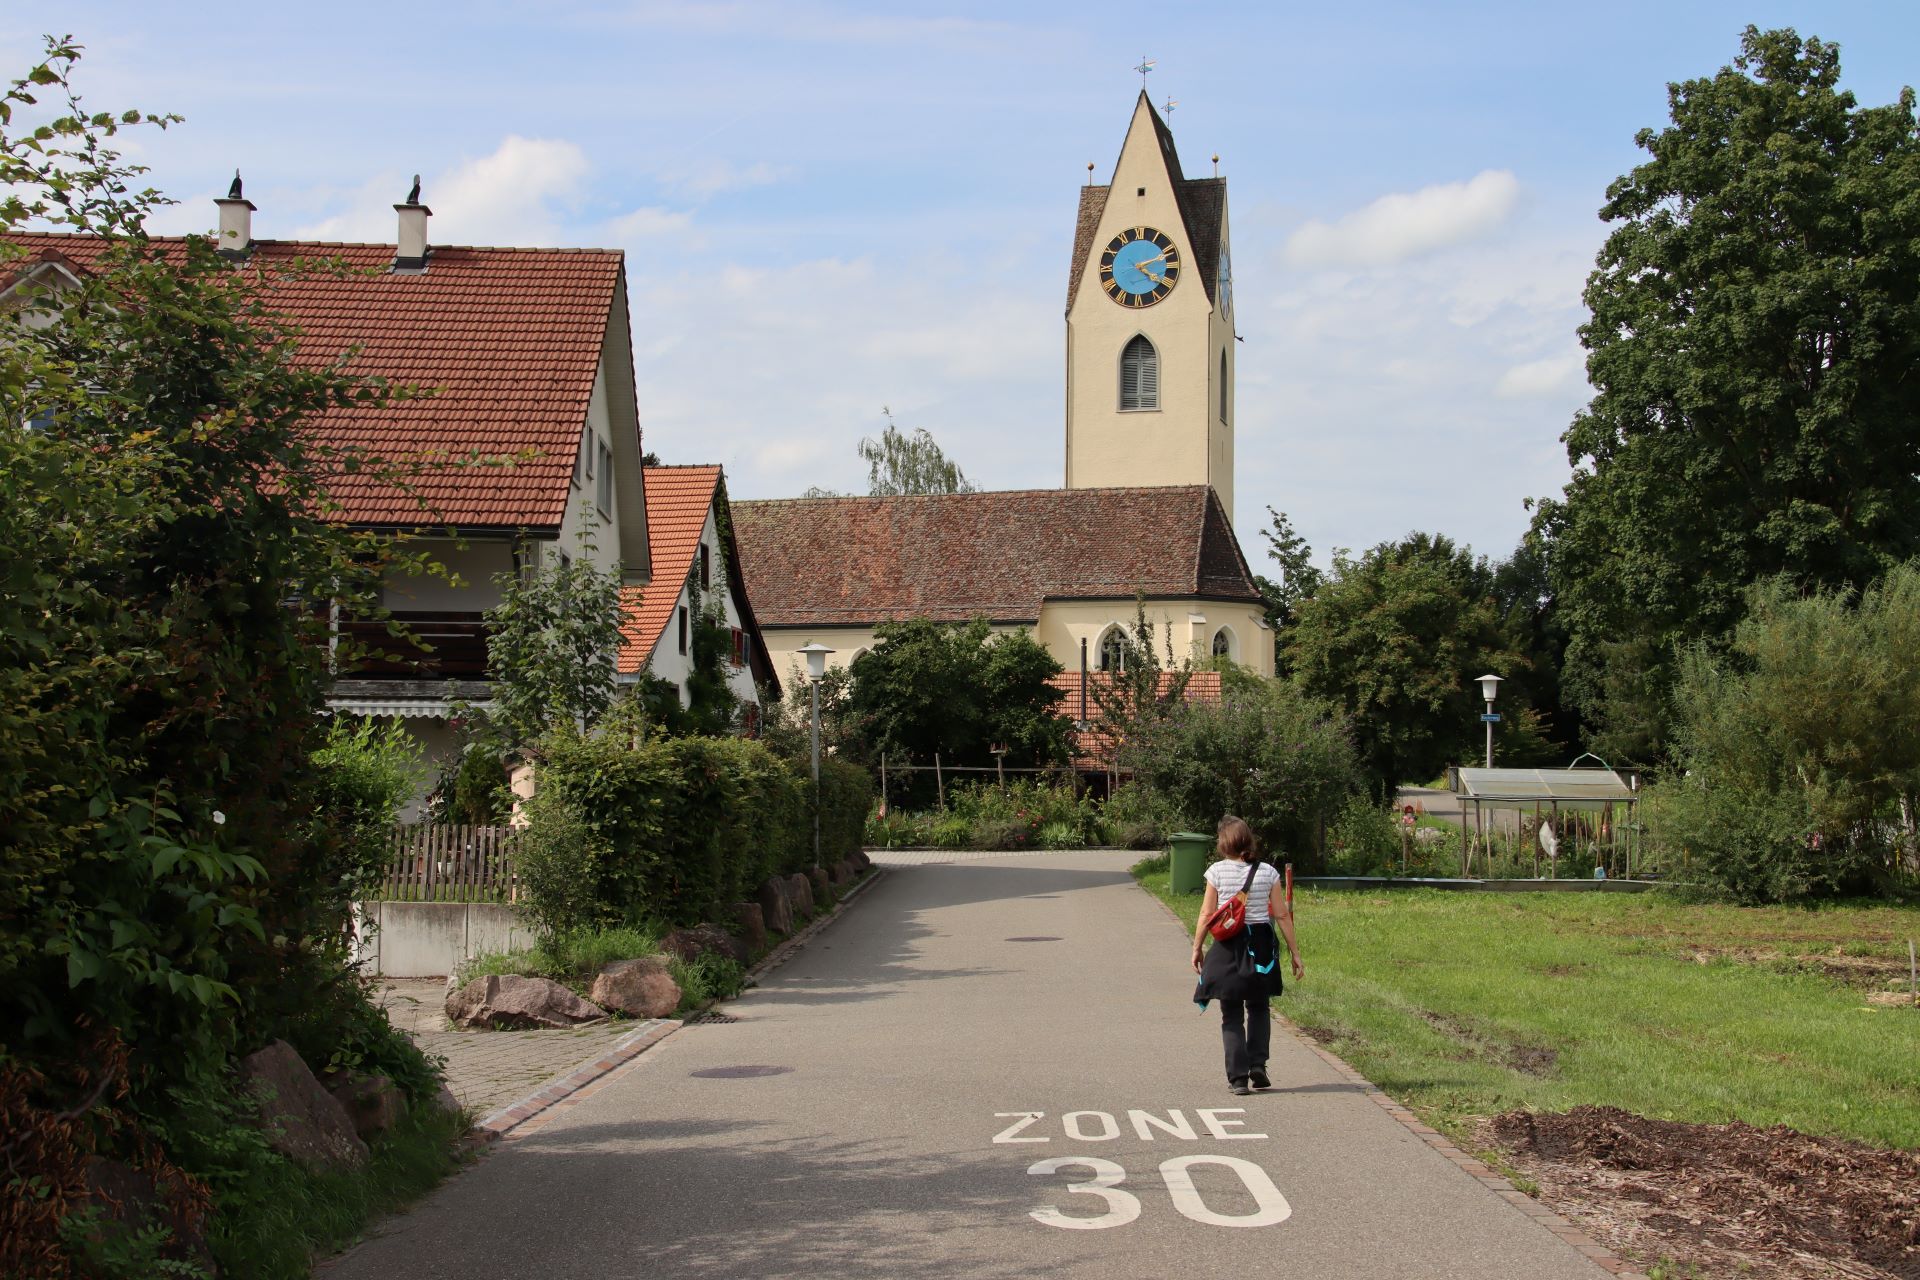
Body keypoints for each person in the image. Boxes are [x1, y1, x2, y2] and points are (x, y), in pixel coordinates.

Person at [1191, 816, 1304, 1095]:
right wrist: (1294, 952)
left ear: (1223, 843)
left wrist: (1197, 947)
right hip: (1261, 946)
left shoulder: (1216, 871)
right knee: (1258, 1006)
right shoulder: (1268, 872)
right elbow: (1280, 914)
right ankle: (1258, 1065)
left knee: (1230, 1013)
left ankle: (1238, 1078)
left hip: (1230, 945)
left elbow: (1207, 914)